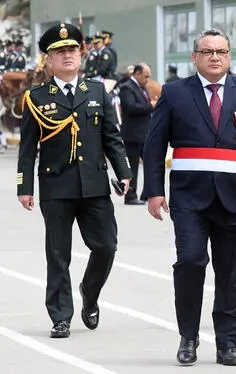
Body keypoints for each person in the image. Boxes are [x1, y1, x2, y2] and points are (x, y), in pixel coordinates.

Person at [143, 28, 236, 367]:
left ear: (229, 55)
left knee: (230, 272)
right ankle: (188, 336)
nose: (215, 57)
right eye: (207, 52)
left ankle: (227, 343)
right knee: (190, 262)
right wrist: (153, 190)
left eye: (221, 51)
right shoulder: (175, 93)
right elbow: (154, 144)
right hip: (189, 198)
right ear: (195, 57)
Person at [16, 23, 132, 339]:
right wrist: (24, 187)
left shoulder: (96, 91)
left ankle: (89, 293)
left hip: (94, 184)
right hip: (56, 186)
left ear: (80, 54)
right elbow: (27, 148)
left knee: (106, 246)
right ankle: (60, 316)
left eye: (72, 50)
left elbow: (112, 136)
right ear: (49, 60)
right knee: (58, 254)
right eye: (59, 51)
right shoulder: (36, 97)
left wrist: (123, 171)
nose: (67, 55)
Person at [119, 63, 156, 205]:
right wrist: (150, 106)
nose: (147, 79)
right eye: (146, 76)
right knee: (132, 167)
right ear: (138, 73)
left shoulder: (142, 87)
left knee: (151, 163)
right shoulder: (127, 87)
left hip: (144, 133)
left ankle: (146, 193)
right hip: (132, 135)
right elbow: (130, 108)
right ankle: (130, 196)